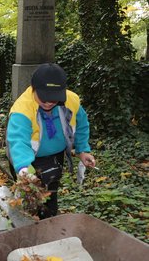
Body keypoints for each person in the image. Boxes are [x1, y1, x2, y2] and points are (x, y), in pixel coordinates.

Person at [6, 63, 96, 219]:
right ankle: (25, 227)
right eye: (43, 97)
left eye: (53, 98)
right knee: (29, 200)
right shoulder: (22, 109)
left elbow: (81, 124)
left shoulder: (72, 101)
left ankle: (49, 222)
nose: (48, 102)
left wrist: (82, 150)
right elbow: (18, 141)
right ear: (33, 88)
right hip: (27, 159)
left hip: (55, 157)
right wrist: (23, 169)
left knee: (50, 196)